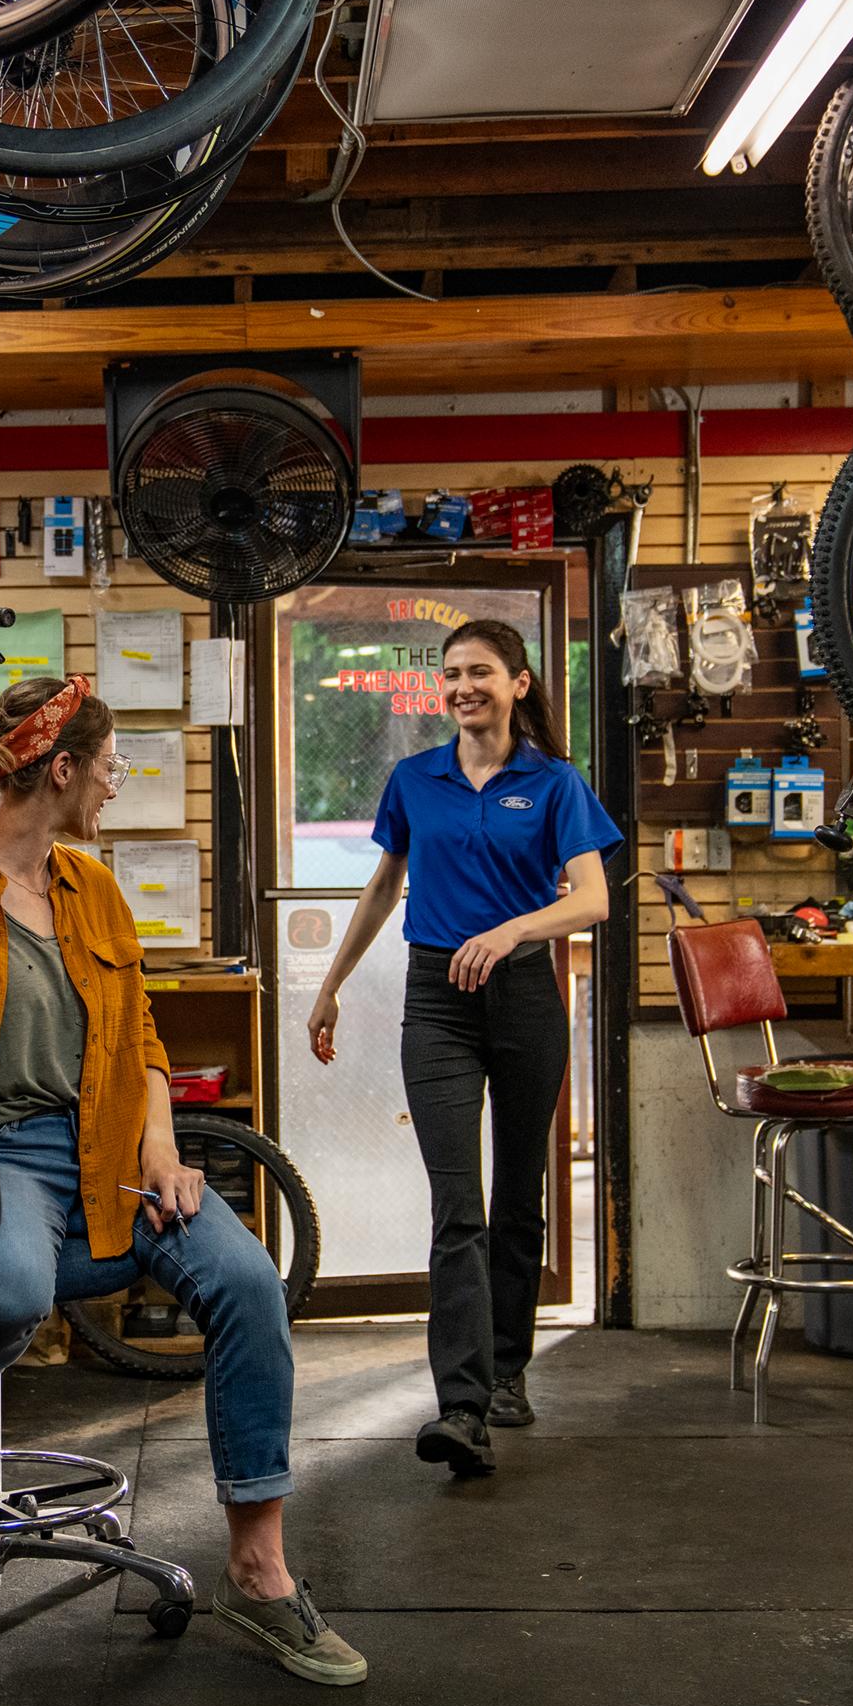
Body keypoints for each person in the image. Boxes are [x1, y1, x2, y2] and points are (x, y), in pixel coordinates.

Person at [0, 673, 366, 1686]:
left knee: (251, 1282)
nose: (116, 788)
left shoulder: (96, 889)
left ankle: (259, 1571)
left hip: (116, 1152)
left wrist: (164, 1151)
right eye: (110, 766)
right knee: (12, 1289)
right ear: (64, 769)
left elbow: (144, 1043)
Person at [306, 621, 621, 1478]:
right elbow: (383, 885)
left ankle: (510, 1368)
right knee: (458, 1203)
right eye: (450, 674)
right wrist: (331, 984)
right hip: (435, 998)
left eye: (479, 671)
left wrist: (515, 928)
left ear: (519, 682)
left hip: (522, 994)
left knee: (519, 1192)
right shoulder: (417, 778)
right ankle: (464, 1406)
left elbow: (591, 899)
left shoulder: (555, 784)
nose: (462, 685)